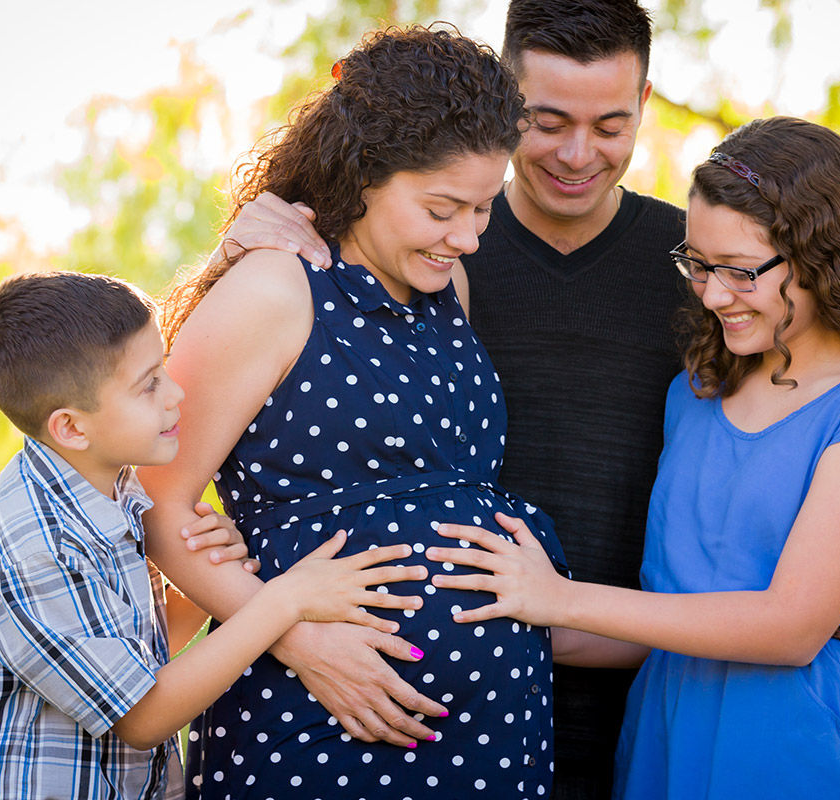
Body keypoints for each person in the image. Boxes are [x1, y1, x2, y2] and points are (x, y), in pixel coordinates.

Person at [219, 2, 840, 796]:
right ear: (503, 109)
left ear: (645, 105)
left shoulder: (703, 278)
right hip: (449, 705)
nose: (577, 153)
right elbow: (274, 394)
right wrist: (257, 232)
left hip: (640, 705)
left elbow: (814, 367)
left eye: (609, 124)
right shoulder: (430, 248)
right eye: (548, 120)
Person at [426, 116, 840, 799]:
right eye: (698, 264)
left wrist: (561, 596)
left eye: (739, 271)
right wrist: (485, 614)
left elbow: (789, 627)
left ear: (824, 258)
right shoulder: (696, 392)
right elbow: (663, 618)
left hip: (791, 738)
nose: (712, 293)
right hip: (663, 726)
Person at [137, 25, 568, 799]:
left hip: (489, 729)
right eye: (443, 208)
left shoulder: (447, 293)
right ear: (366, 174)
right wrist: (298, 640)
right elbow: (156, 505)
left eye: (482, 208)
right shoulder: (276, 288)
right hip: (314, 713)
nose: (468, 237)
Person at [0, 271, 423, 799]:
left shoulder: (107, 489)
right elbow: (142, 715)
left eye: (163, 367)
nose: (176, 393)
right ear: (71, 427)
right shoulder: (32, 546)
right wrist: (283, 601)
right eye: (149, 385)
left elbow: (135, 651)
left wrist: (199, 590)